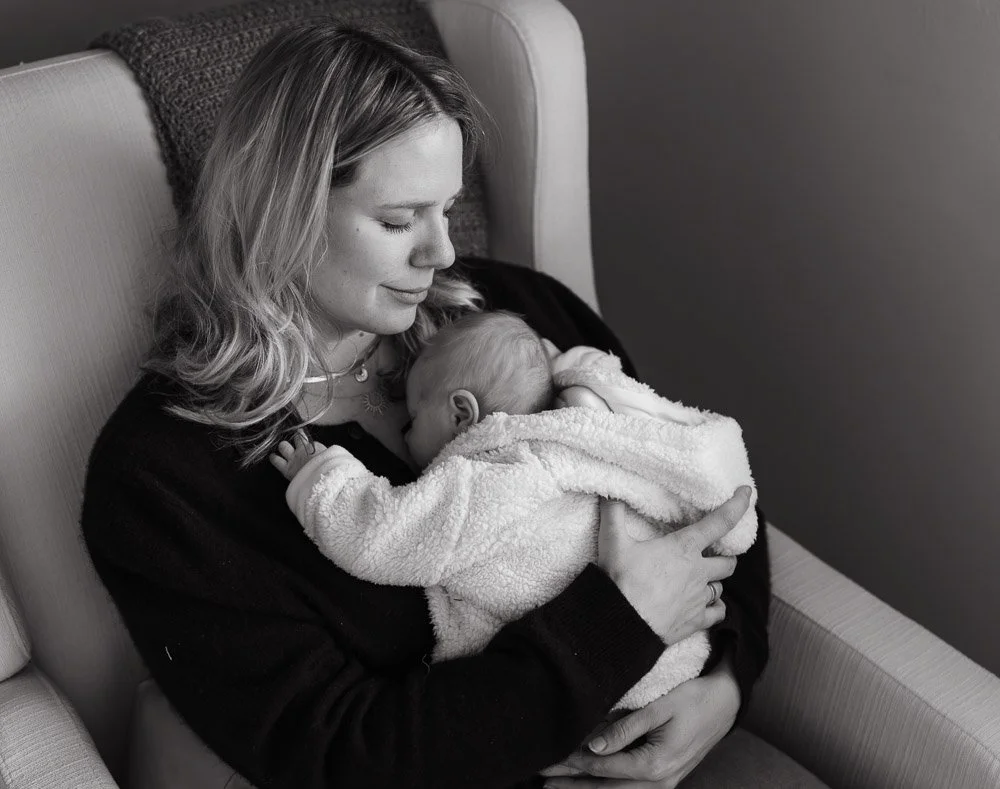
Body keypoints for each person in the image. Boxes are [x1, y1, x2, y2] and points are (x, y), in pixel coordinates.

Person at [81, 19, 772, 789]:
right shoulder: (163, 480)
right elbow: (340, 753)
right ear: (281, 211)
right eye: (398, 219)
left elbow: (690, 477)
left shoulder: (518, 317)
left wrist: (725, 685)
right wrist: (619, 621)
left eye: (447, 208)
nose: (440, 252)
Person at [269, 309, 758, 713]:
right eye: (397, 224)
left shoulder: (489, 478)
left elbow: (384, 537)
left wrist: (322, 478)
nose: (405, 432)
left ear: (462, 415)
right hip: (659, 665)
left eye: (413, 419)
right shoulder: (581, 434)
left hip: (622, 688)